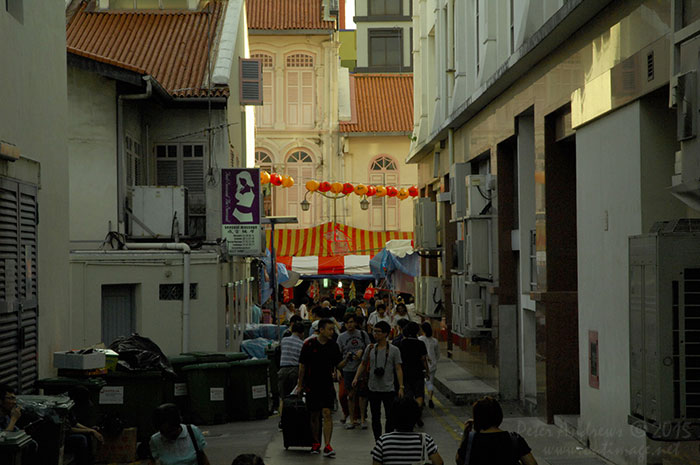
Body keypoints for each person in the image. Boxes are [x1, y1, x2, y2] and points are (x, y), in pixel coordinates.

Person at [296, 318, 353, 457]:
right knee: (314, 414)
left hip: (327, 384)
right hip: (311, 385)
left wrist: (347, 359)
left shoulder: (333, 346)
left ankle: (327, 445)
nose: (332, 332)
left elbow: (338, 365)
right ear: (321, 330)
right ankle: (316, 443)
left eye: (333, 329)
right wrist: (299, 385)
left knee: (327, 413)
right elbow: (302, 366)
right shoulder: (309, 344)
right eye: (330, 329)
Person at [353, 320, 404, 441]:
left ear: (386, 334)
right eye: (374, 331)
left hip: (388, 389)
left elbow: (398, 368)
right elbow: (363, 364)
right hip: (373, 388)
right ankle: (378, 442)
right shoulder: (370, 348)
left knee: (390, 417)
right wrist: (356, 377)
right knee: (375, 417)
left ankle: (387, 440)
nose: (375, 334)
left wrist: (401, 386)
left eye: (378, 332)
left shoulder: (394, 350)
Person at [456, 397, 538, 465]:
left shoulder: (471, 440)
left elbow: (459, 460)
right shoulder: (514, 439)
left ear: (477, 419)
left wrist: (465, 435)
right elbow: (531, 463)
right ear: (499, 416)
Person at [371, 397, 443, 465]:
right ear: (416, 417)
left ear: (393, 417)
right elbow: (439, 463)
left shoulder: (383, 441)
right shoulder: (425, 439)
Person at [336, 313, 370, 429]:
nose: (349, 325)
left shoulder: (362, 334)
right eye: (347, 323)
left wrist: (362, 351)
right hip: (348, 370)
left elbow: (370, 348)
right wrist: (338, 369)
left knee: (362, 395)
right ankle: (351, 419)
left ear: (355, 322)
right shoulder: (341, 337)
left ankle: (362, 419)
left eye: (351, 322)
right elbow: (337, 355)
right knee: (350, 395)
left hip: (361, 368)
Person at [398, 321, 429, 427]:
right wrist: (427, 371)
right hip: (418, 372)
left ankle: (411, 416)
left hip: (405, 372)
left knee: (409, 395)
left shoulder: (402, 343)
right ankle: (418, 414)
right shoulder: (420, 343)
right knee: (419, 395)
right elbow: (423, 359)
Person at [0, 384, 38, 465]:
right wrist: (13, 420)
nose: (14, 402)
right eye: (10, 398)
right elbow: (3, 440)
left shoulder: (5, 416)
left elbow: (16, 432)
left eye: (14, 398)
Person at [66, 386, 104, 465]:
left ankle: (90, 461)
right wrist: (90, 430)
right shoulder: (66, 408)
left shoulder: (71, 407)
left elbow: (74, 423)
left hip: (68, 433)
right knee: (81, 438)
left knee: (88, 434)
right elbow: (69, 429)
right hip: (61, 439)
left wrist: (90, 430)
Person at [278, 321, 305, 417]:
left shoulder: (284, 340)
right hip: (294, 370)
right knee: (295, 397)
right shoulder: (302, 344)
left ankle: (282, 421)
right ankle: (295, 419)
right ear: (301, 333)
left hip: (282, 370)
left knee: (283, 398)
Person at [419, 322, 440, 409]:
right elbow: (437, 354)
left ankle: (422, 400)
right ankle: (430, 398)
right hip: (432, 365)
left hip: (422, 365)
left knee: (421, 383)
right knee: (430, 382)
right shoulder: (435, 341)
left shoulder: (419, 339)